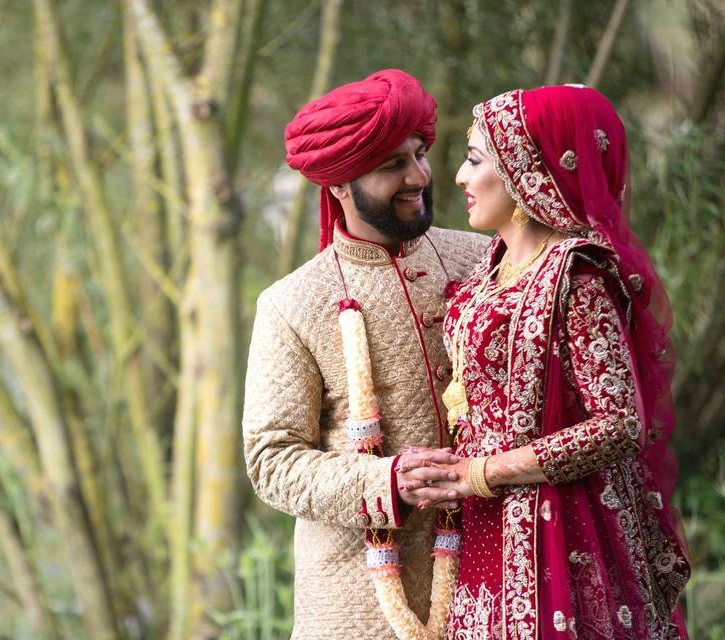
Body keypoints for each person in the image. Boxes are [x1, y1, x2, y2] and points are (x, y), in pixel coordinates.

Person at [422, 85, 690, 638]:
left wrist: (484, 472)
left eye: (474, 161)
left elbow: (619, 425)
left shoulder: (580, 276)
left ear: (525, 170)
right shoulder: (485, 270)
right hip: (485, 528)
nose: (458, 178)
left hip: (565, 535)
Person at [242, 69, 489, 639]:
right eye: (391, 165)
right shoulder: (291, 304)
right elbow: (272, 461)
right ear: (337, 185)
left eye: (420, 154)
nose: (419, 176)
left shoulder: (484, 261)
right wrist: (385, 480)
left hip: (493, 583)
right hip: (355, 608)